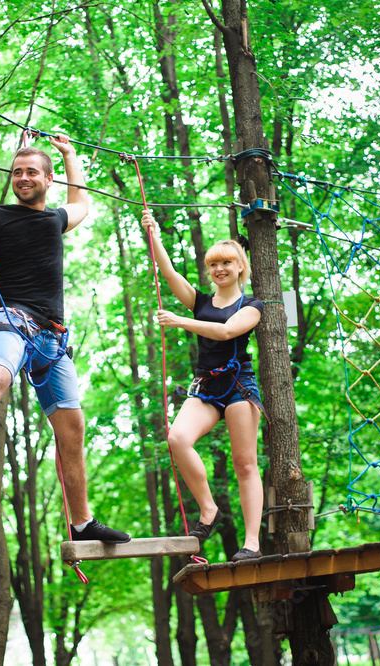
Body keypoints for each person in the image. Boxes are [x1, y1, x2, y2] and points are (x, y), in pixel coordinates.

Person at [0, 135, 130, 545]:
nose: (22, 178)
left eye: (31, 172)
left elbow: (84, 205)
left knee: (72, 428)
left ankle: (82, 523)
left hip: (53, 338)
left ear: (47, 180)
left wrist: (71, 155)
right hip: (12, 318)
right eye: (17, 172)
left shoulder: (55, 218)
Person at [140, 209, 264, 561]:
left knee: (244, 464)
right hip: (206, 387)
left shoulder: (251, 305)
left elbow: (226, 332)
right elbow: (168, 273)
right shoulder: (201, 302)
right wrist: (154, 236)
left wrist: (180, 322)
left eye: (226, 263)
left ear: (240, 266)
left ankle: (251, 543)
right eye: (213, 264)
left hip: (239, 385)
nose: (219, 269)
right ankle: (209, 510)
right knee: (177, 439)